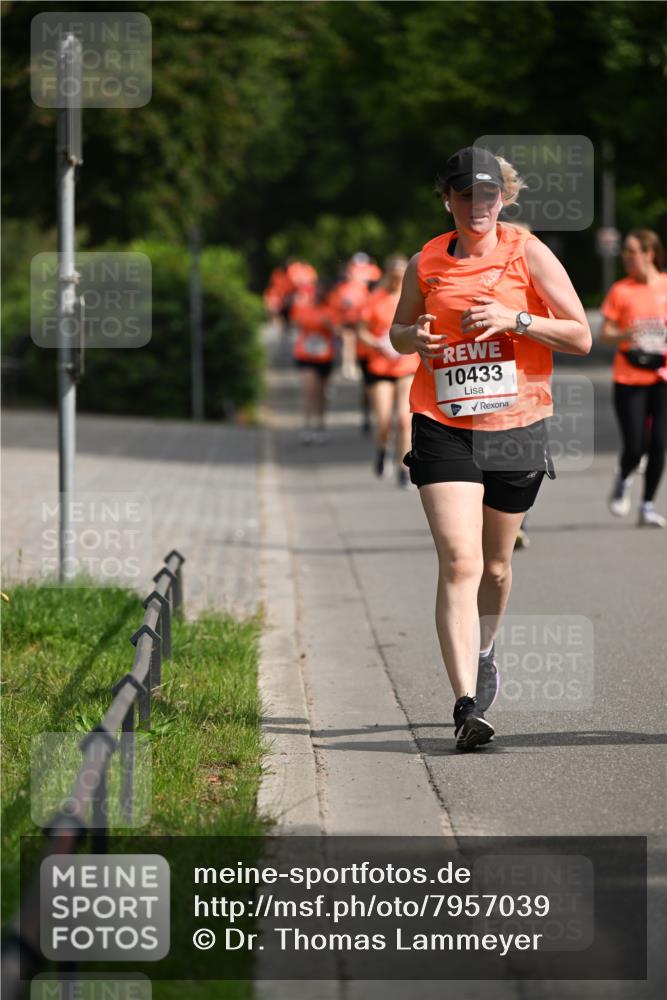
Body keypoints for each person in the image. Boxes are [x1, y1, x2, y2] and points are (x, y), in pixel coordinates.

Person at [389, 146, 591, 750]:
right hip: (442, 420)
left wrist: (516, 319)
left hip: (517, 424)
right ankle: (465, 704)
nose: (478, 206)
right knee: (461, 561)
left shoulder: (528, 251)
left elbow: (581, 334)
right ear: (446, 198)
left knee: (497, 567)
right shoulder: (425, 260)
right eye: (465, 195)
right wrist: (414, 337)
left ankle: (484, 648)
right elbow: (399, 331)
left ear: (503, 198)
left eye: (489, 196)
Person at [600, 229, 667, 527]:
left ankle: (648, 505)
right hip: (629, 376)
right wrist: (627, 334)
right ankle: (624, 476)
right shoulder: (621, 290)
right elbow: (604, 334)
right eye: (625, 251)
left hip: (663, 375)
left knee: (660, 443)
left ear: (650, 253)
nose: (627, 257)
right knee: (635, 445)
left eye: (632, 251)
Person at [357, 255, 418, 487]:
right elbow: (361, 330)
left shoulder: (413, 298)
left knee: (404, 419)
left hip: (406, 366)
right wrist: (376, 344)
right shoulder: (375, 299)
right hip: (380, 366)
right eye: (392, 277)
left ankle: (404, 467)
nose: (396, 282)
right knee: (383, 420)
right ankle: (382, 449)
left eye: (400, 277)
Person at [291, 285, 338, 444]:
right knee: (309, 391)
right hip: (306, 355)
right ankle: (307, 426)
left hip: (325, 357)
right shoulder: (303, 309)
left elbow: (339, 332)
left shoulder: (331, 311)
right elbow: (296, 324)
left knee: (321, 393)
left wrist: (329, 326)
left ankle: (320, 425)